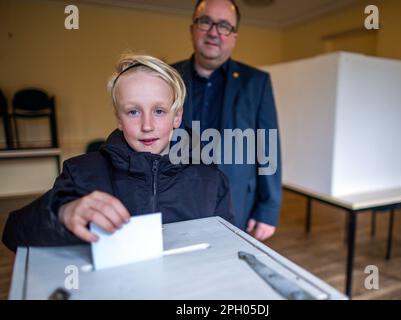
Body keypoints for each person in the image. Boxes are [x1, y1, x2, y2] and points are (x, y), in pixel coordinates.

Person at [2, 54, 233, 252]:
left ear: (177, 117)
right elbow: (14, 234)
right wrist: (62, 213)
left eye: (159, 111)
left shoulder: (211, 180)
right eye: (133, 112)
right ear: (119, 119)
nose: (147, 125)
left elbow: (230, 249)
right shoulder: (80, 173)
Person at [172, 0, 282, 241]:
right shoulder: (168, 77)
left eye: (224, 26)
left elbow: (268, 146)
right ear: (192, 29)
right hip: (175, 200)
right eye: (205, 22)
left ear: (234, 37)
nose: (214, 32)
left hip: (236, 201)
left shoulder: (256, 82)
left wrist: (268, 209)